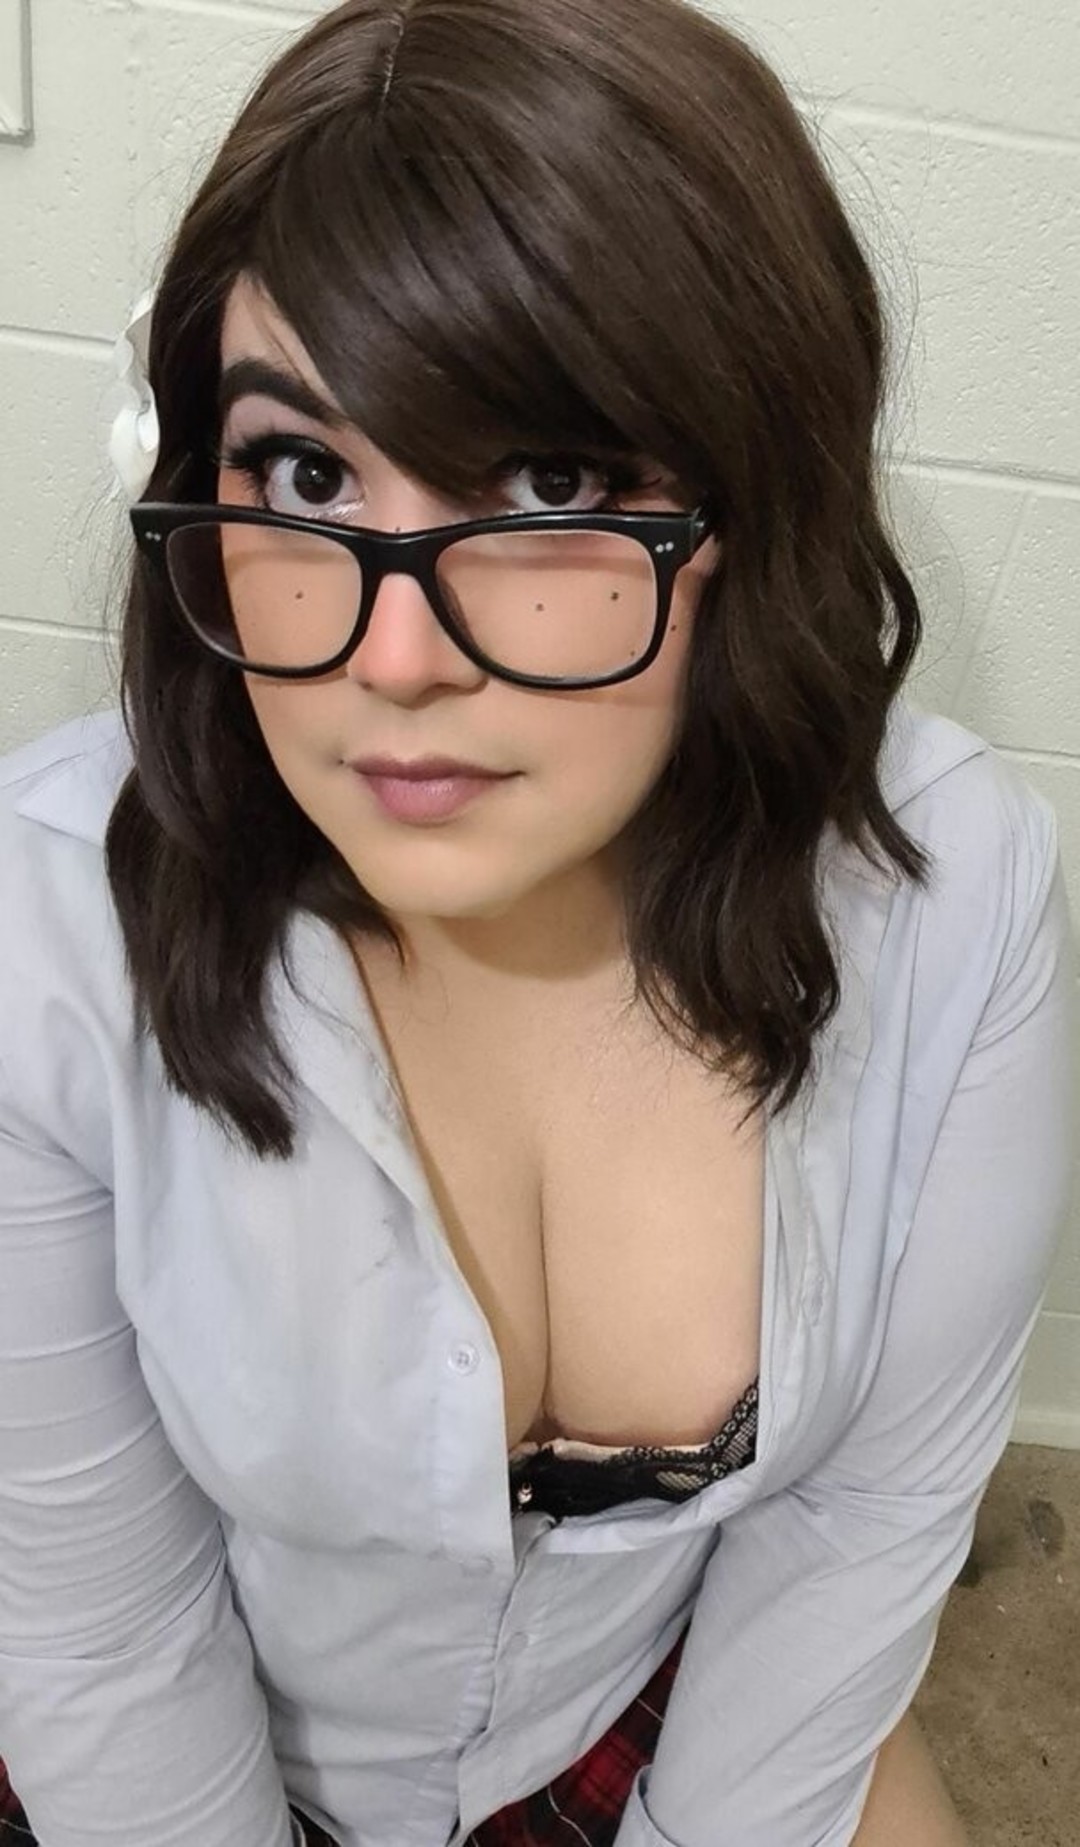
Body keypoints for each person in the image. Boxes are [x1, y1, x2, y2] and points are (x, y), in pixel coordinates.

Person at [0, 1, 1074, 1843]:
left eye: (551, 486)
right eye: (307, 476)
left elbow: (860, 1523)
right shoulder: (48, 931)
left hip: (625, 1710)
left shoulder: (954, 892)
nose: (395, 660)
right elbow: (106, 1632)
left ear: (756, 505)